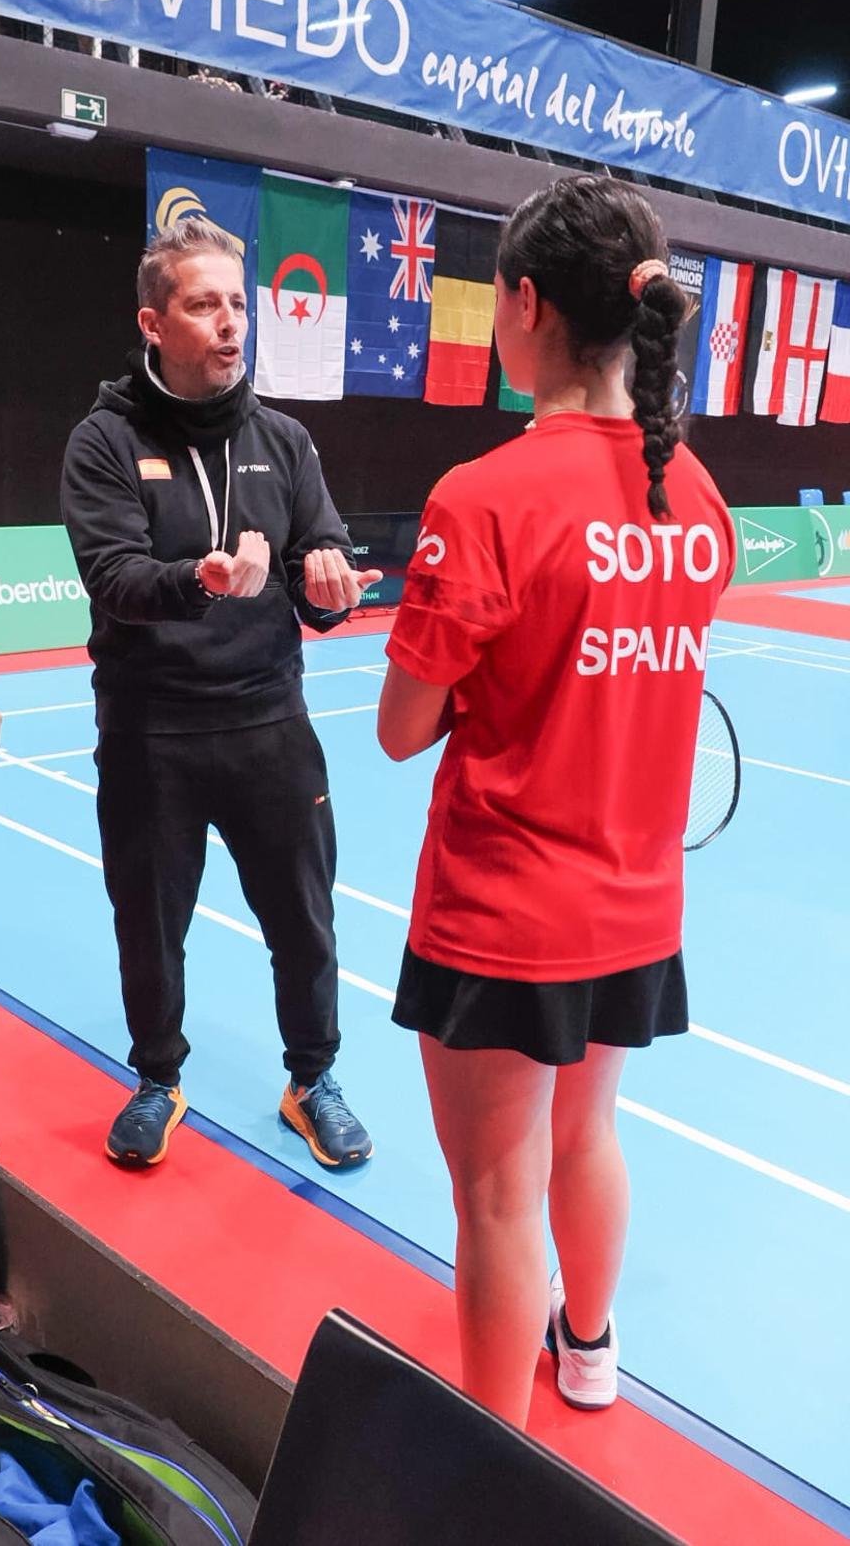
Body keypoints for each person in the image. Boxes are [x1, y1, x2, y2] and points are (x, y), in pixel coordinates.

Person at [377, 176, 735, 1428]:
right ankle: (588, 1350)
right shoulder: (696, 496)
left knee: (497, 1192)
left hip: (505, 916)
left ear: (526, 305)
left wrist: (487, 686)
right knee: (588, 1135)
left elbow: (402, 729)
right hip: (635, 908)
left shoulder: (484, 498)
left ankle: (495, 1472)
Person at [61, 218, 381, 1171]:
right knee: (149, 924)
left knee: (305, 920)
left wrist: (330, 588)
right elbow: (113, 576)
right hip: (150, 730)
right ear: (154, 323)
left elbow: (321, 559)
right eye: (205, 304)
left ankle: (312, 1079)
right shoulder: (104, 440)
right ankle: (158, 1077)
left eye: (239, 303)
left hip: (269, 722)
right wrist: (198, 579)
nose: (232, 322)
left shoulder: (284, 440)